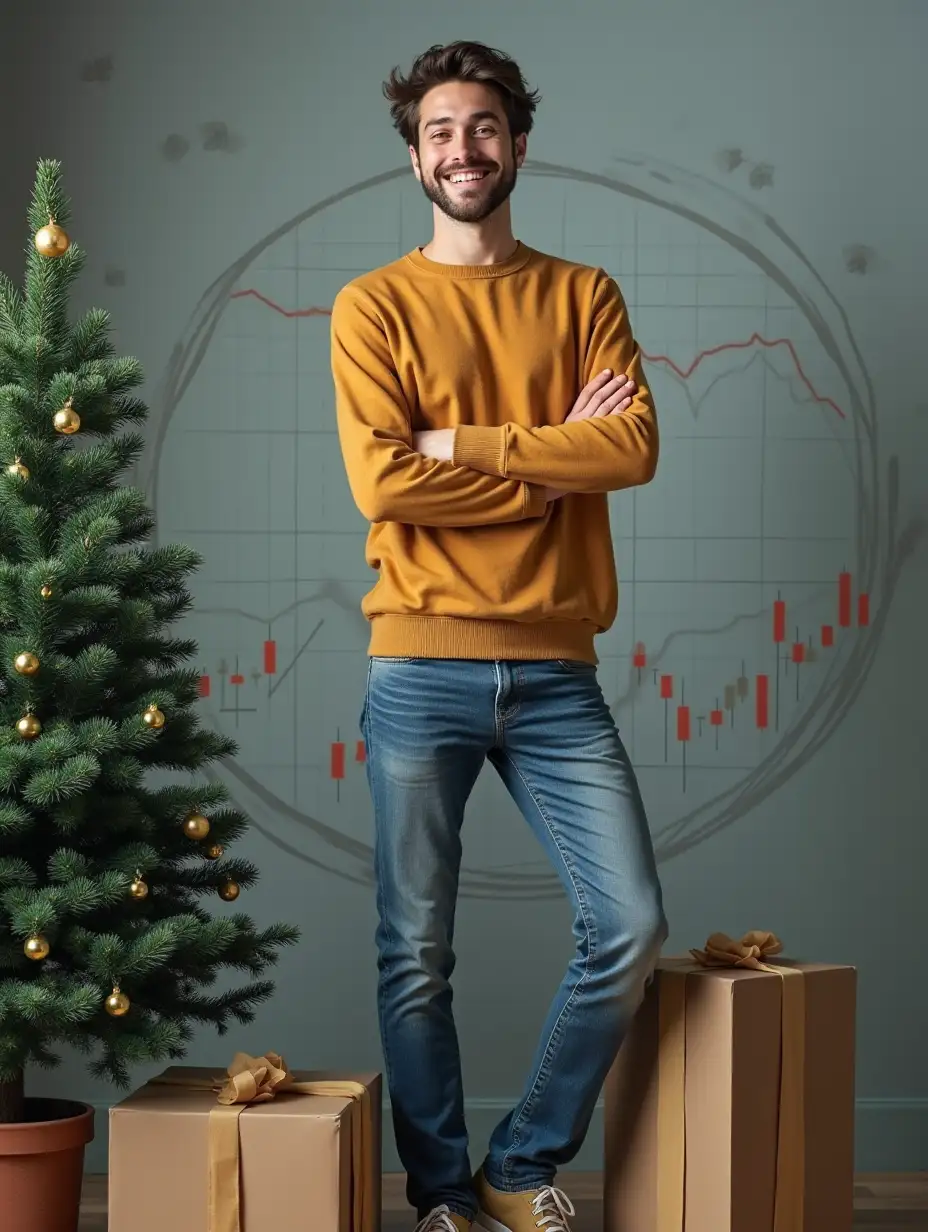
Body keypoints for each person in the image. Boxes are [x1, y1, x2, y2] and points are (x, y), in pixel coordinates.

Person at [330, 39, 668, 1232]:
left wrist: (464, 448)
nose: (461, 150)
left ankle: (517, 1164)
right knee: (416, 950)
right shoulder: (373, 305)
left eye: (481, 128)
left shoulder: (583, 296)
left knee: (627, 922)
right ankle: (438, 1195)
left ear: (518, 143)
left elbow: (627, 450)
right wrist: (543, 463)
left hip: (558, 671)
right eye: (438, 132)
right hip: (418, 661)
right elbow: (382, 483)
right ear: (414, 155)